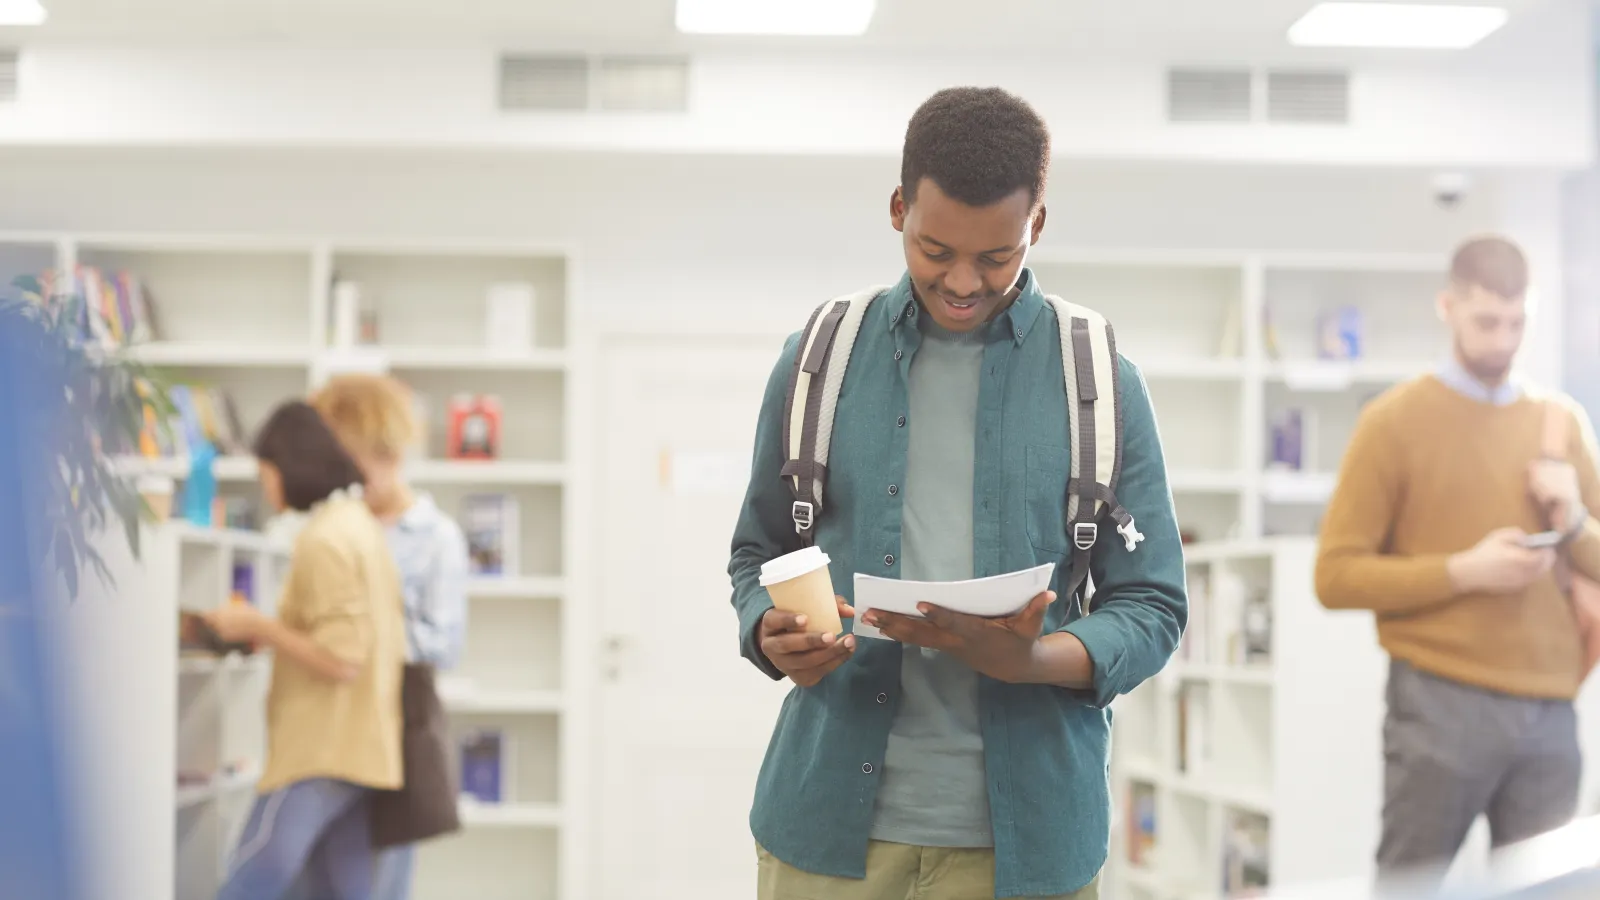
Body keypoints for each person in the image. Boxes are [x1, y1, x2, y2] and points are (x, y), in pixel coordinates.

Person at [726, 86, 1187, 900]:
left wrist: (1036, 658)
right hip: (825, 830)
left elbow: (1151, 604)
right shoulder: (819, 359)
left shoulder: (1102, 382)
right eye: (935, 250)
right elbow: (758, 552)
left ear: (1035, 225)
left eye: (996, 257)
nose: (964, 282)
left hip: (1030, 847)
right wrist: (769, 630)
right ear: (899, 208)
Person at [1315, 235, 1600, 882]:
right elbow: (1334, 576)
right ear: (1448, 306)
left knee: (1549, 894)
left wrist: (1575, 519)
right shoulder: (1393, 421)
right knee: (1409, 889)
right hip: (1439, 707)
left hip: (1551, 712)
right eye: (1486, 322)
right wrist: (1466, 570)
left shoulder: (1563, 423)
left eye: (1517, 323)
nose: (1503, 340)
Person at [204, 401, 406, 900]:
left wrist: (259, 626)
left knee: (247, 882)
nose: (267, 488)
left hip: (319, 752)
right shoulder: (359, 526)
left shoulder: (325, 539)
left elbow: (343, 658)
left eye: (266, 474)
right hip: (362, 748)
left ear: (289, 468)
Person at [310, 373, 470, 900]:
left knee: (377, 882)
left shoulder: (435, 538)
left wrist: (364, 631)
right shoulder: (324, 524)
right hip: (321, 727)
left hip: (390, 733)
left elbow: (443, 645)